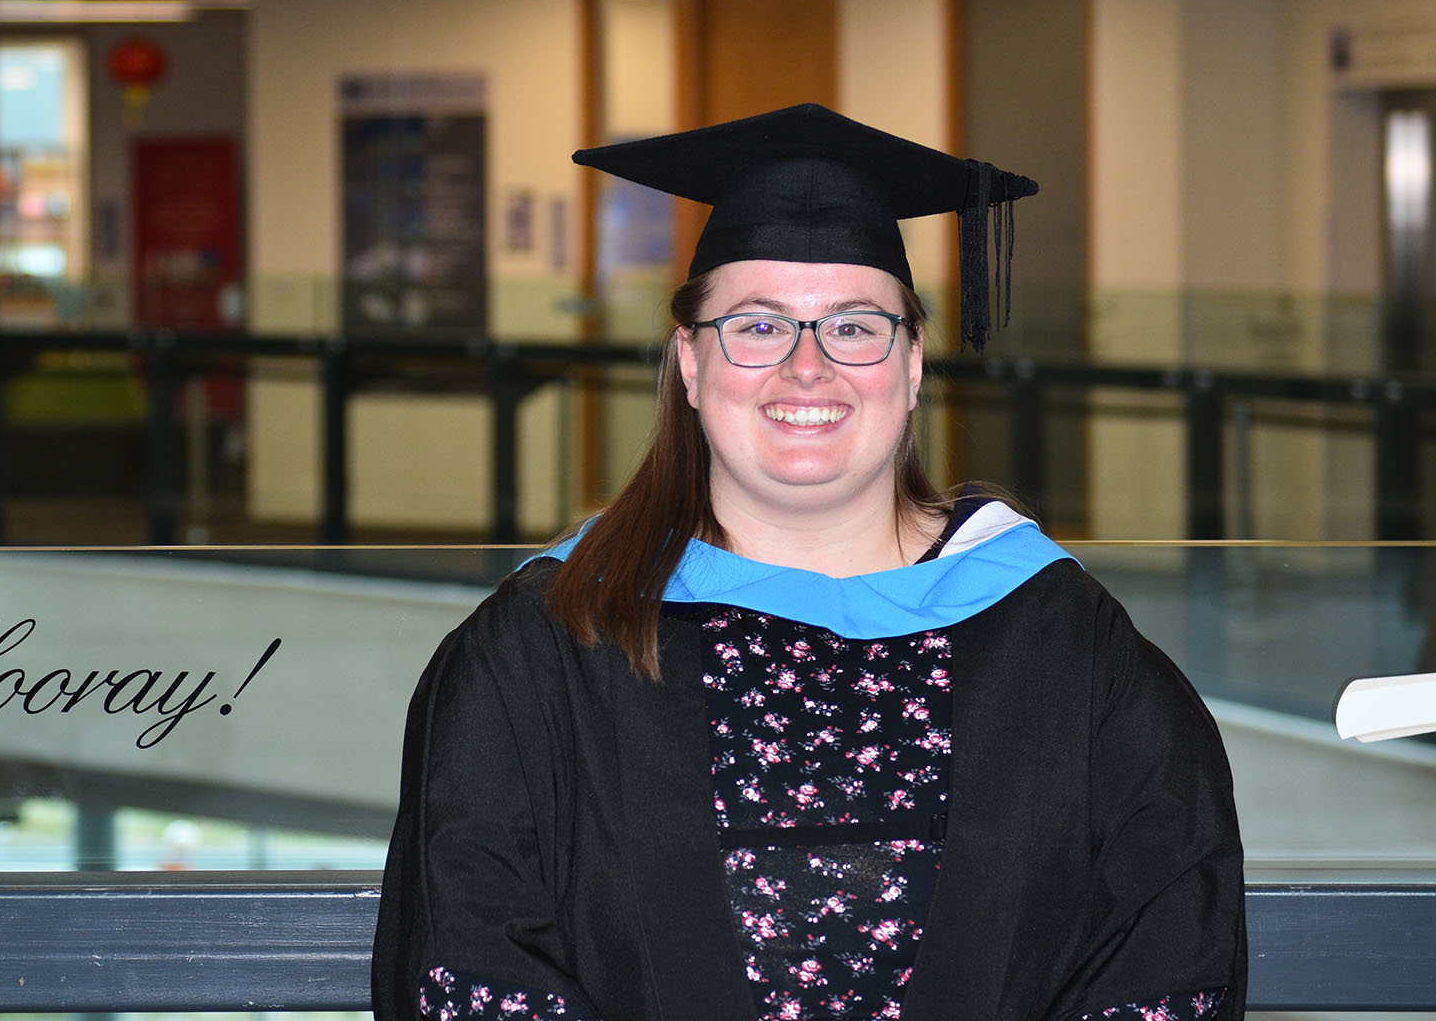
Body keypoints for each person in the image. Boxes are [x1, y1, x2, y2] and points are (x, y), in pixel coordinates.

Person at [372, 104, 1246, 1021]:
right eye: (756, 327)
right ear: (691, 365)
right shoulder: (544, 646)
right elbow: (466, 965)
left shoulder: (1067, 644)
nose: (807, 367)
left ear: (911, 365)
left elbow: (1169, 952)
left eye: (856, 326)